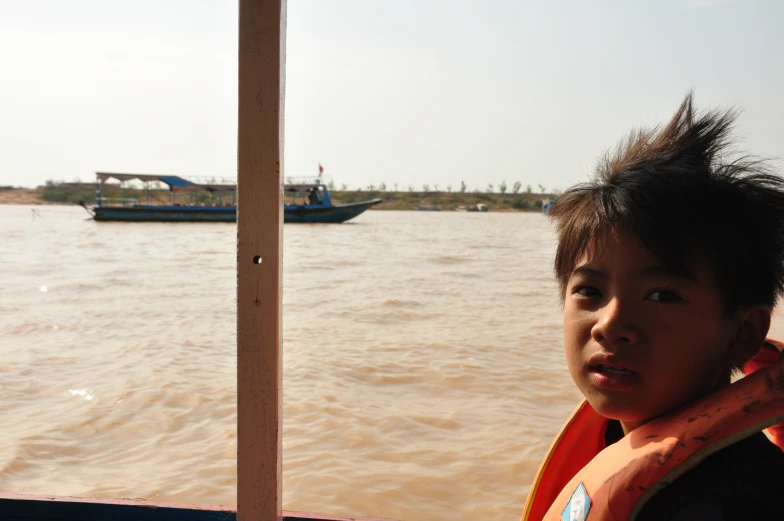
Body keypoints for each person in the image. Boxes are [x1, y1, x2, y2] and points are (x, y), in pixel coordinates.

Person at [520, 93, 784, 521]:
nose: (610, 325)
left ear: (742, 334)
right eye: (589, 291)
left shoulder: (734, 502)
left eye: (662, 295)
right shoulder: (621, 437)